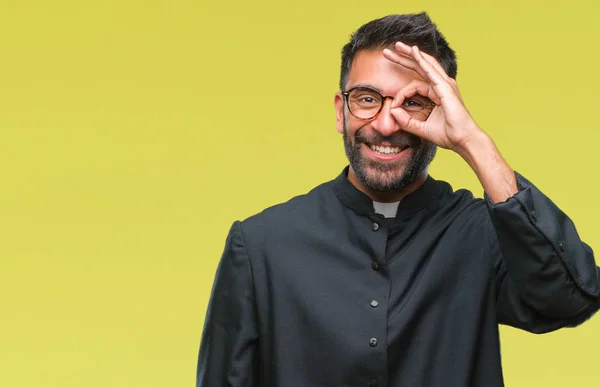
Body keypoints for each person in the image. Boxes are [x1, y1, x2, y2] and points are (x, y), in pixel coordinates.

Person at [196, 12, 600, 387]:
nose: (387, 124)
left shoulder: (484, 234)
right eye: (368, 99)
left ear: (443, 110)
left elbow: (570, 299)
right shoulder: (260, 245)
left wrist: (473, 142)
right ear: (341, 111)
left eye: (413, 103)